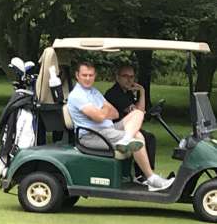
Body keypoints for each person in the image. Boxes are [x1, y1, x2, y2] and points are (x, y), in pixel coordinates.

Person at [66, 61, 173, 191]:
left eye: (91, 75)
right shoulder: (77, 95)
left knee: (138, 113)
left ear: (95, 75)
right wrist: (103, 111)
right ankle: (150, 178)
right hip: (93, 135)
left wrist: (102, 111)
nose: (88, 78)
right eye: (84, 75)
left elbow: (115, 113)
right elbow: (99, 116)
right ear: (77, 75)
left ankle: (127, 141)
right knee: (138, 137)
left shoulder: (94, 92)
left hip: (108, 129)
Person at [104, 64, 157, 181]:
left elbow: (140, 111)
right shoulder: (114, 93)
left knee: (149, 137)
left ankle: (146, 175)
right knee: (146, 137)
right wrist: (142, 93)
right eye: (125, 76)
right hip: (115, 129)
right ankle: (142, 176)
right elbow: (139, 111)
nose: (129, 80)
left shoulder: (126, 93)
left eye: (131, 77)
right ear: (117, 77)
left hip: (126, 127)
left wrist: (142, 92)